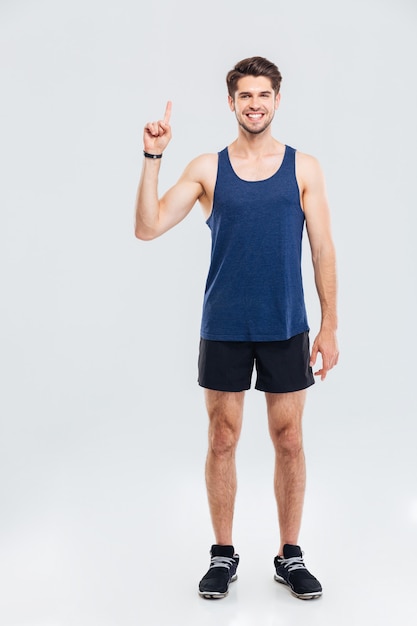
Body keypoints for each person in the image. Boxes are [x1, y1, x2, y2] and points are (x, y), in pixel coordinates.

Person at [135, 56, 339, 601]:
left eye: (263, 95)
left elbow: (322, 248)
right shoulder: (207, 168)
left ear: (277, 100)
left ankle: (289, 554)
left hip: (285, 324)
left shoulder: (304, 168)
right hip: (224, 323)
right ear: (232, 103)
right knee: (222, 439)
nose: (254, 104)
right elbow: (148, 227)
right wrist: (154, 156)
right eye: (245, 95)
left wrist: (330, 326)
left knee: (289, 439)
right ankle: (222, 555)